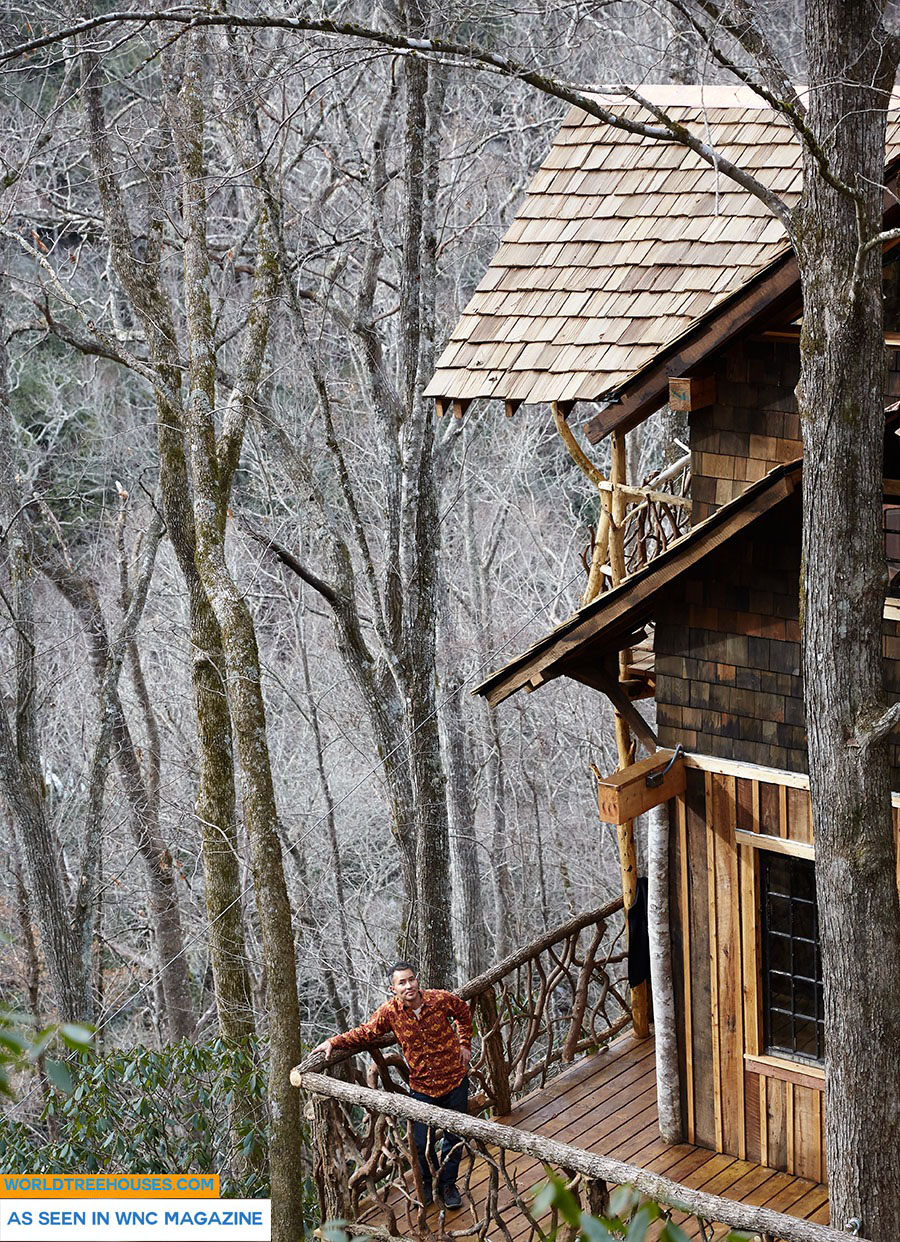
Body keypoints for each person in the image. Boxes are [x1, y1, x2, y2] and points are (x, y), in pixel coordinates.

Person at [313, 960, 472, 1210]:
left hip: (455, 1081)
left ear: (417, 980)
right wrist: (334, 1041)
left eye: (411, 979)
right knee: (420, 1143)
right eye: (402, 982)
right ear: (393, 988)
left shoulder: (440, 1000)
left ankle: (449, 1185)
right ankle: (429, 1184)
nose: (409, 985)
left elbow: (463, 1012)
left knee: (455, 1138)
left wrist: (465, 1044)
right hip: (423, 1088)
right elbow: (366, 1032)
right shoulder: (390, 1012)